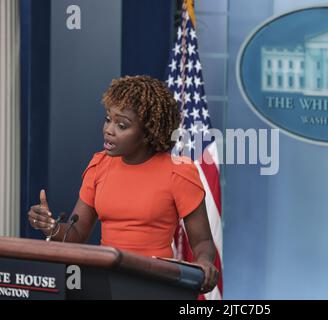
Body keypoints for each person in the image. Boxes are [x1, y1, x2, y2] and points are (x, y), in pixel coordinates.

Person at [27, 75, 219, 293]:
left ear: (148, 133)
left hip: (155, 282)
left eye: (121, 125)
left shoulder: (178, 172)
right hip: (105, 280)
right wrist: (50, 226)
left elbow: (203, 242)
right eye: (108, 119)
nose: (109, 130)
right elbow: (77, 232)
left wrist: (204, 262)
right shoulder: (99, 164)